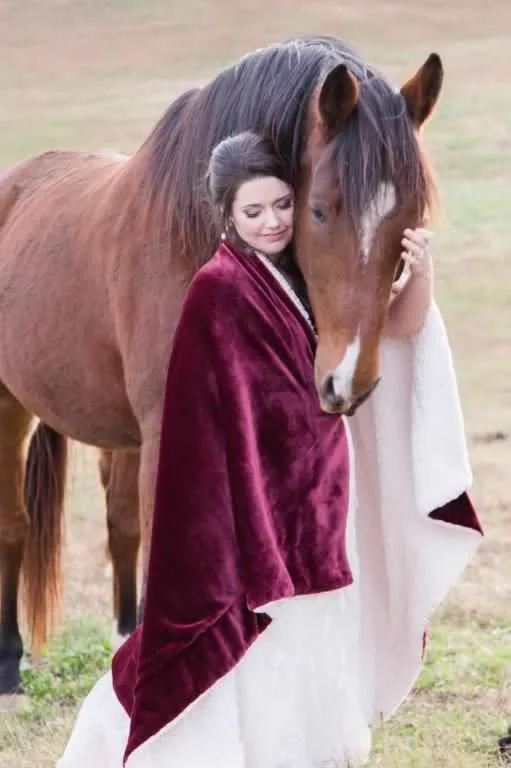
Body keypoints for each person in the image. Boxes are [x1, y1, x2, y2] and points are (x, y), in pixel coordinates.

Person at [57, 131, 481, 768]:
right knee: (259, 643)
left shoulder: (304, 272)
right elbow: (208, 421)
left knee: (314, 633)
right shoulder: (218, 288)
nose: (272, 221)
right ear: (227, 215)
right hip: (257, 508)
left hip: (319, 502)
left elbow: (395, 328)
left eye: (282, 204)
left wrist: (419, 272)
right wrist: (246, 512)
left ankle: (308, 746)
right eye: (252, 211)